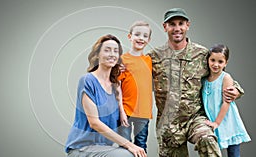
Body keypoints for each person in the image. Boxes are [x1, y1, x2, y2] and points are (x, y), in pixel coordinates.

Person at [148, 8, 244, 157]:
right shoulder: (154, 57)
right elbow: (135, 76)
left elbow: (219, 74)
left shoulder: (201, 54)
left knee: (208, 140)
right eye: (172, 24)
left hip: (195, 119)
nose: (177, 28)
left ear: (188, 25)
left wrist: (236, 90)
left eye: (181, 23)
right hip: (169, 125)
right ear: (165, 26)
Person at [65, 34, 147, 157]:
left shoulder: (116, 86)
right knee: (127, 155)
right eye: (107, 50)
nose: (112, 54)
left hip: (104, 148)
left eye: (116, 51)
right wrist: (129, 144)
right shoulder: (87, 81)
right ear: (97, 54)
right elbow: (94, 123)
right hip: (82, 148)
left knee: (136, 154)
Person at [202, 44, 251, 157]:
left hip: (227, 121)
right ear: (208, 60)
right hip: (213, 118)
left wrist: (217, 123)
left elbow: (226, 102)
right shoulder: (204, 78)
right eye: (212, 60)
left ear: (226, 63)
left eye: (220, 62)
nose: (215, 64)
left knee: (233, 152)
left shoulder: (226, 78)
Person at [118, 21, 153, 153]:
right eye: (137, 34)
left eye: (145, 36)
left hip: (143, 112)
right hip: (125, 111)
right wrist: (121, 111)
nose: (140, 38)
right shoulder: (122, 60)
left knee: (141, 146)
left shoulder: (150, 60)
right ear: (129, 36)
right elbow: (117, 88)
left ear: (148, 40)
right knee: (125, 147)